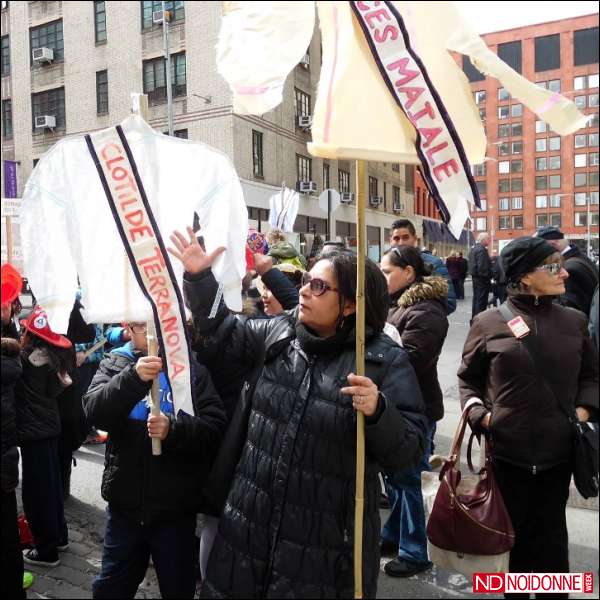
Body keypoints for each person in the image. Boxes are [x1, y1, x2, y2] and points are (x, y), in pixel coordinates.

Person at [167, 227, 427, 598]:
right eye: (306, 281)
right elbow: (222, 331)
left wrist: (379, 411)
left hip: (324, 546)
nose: (304, 290)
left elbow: (409, 451)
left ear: (351, 303)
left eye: (319, 287)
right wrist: (199, 279)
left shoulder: (382, 360)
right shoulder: (281, 333)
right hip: (248, 523)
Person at [458, 237, 598, 586]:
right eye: (553, 267)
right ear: (523, 276)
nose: (564, 273)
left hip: (559, 455)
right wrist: (482, 417)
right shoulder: (488, 322)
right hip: (507, 455)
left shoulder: (575, 322)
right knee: (511, 543)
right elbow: (468, 380)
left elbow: (592, 376)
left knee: (552, 545)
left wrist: (583, 410)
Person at [83, 320, 226, 598]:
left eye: (161, 327)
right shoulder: (116, 362)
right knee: (111, 587)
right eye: (141, 326)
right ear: (128, 328)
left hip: (175, 512)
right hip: (125, 506)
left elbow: (214, 428)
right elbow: (94, 411)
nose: (152, 336)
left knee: (177, 587)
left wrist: (175, 430)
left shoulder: (192, 372)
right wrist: (133, 379)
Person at [379, 246, 449, 577]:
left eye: (387, 272)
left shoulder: (426, 311)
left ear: (408, 273)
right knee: (397, 477)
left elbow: (412, 358)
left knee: (410, 479)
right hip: (398, 403)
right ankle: (394, 534)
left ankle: (415, 548)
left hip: (417, 406)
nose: (382, 277)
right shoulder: (398, 304)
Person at [16, 307, 74, 568]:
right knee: (51, 488)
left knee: (36, 493)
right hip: (50, 429)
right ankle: (59, 536)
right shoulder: (54, 359)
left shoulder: (25, 360)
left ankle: (46, 549)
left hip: (32, 433)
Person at [389, 219, 456, 314]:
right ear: (390, 241)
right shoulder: (386, 266)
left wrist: (415, 312)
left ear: (415, 239)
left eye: (405, 237)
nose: (401, 243)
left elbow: (449, 303)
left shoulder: (434, 263)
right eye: (396, 238)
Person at [535, 226, 599, 316]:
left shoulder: (568, 270)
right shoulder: (580, 257)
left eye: (540, 249)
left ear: (553, 244)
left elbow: (569, 309)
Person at [468, 232, 492, 319]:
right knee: (481, 301)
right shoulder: (481, 250)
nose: (489, 240)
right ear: (484, 239)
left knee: (476, 300)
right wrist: (488, 277)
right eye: (488, 239)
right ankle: (479, 320)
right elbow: (482, 267)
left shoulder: (474, 249)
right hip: (482, 279)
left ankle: (475, 319)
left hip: (476, 278)